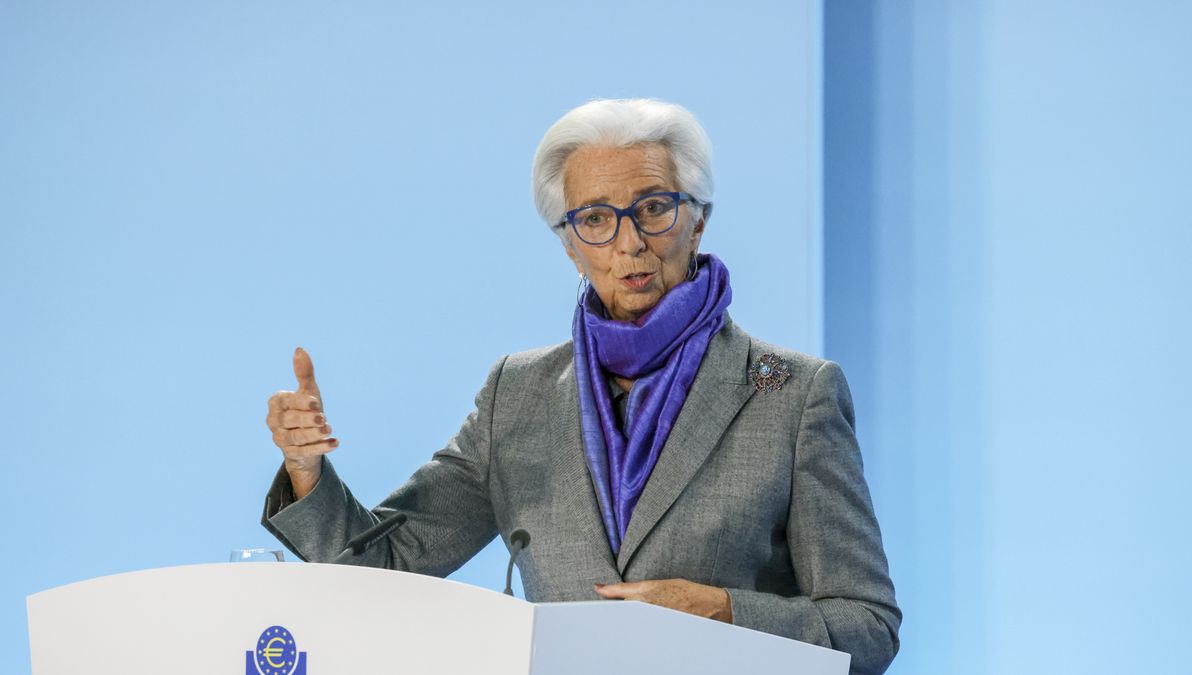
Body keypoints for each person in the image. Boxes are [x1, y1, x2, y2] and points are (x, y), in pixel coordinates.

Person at [262, 99, 900, 674]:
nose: (630, 243)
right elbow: (382, 570)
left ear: (697, 221)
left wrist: (725, 611)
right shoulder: (517, 394)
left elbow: (867, 628)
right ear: (570, 246)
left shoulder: (795, 395)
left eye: (654, 208)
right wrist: (307, 471)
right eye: (596, 219)